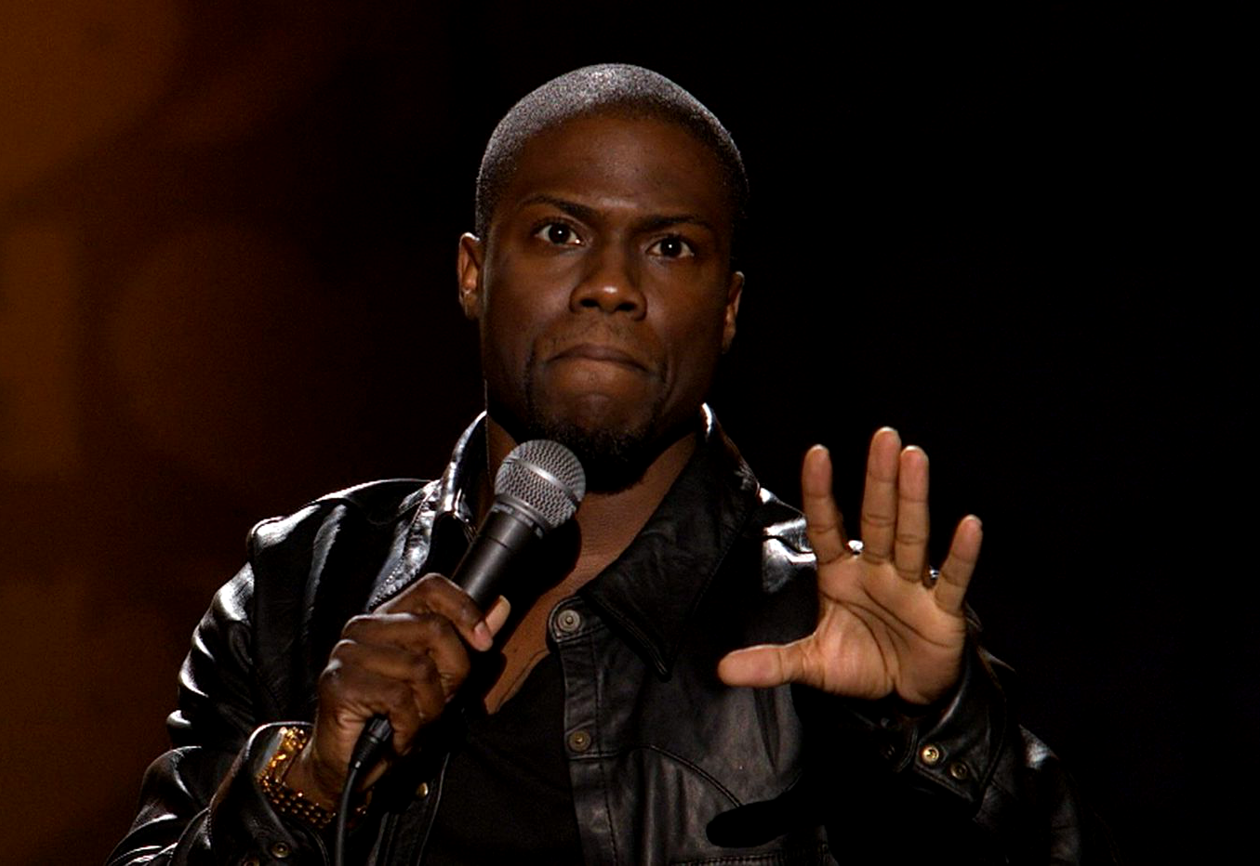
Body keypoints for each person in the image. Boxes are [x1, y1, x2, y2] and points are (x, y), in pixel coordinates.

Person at [110, 64, 1107, 865]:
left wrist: (944, 728)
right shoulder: (302, 583)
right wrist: (308, 778)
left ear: (728, 309)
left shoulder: (825, 620)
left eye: (669, 248)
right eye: (560, 233)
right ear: (472, 271)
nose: (612, 285)